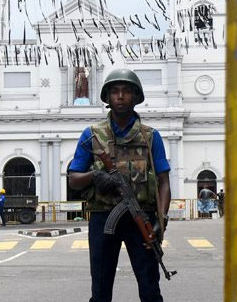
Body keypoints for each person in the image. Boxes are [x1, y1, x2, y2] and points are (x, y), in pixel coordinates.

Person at [68, 68, 171, 302]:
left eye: (126, 91)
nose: (121, 96)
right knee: (101, 289)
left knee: (150, 289)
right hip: (103, 219)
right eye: (115, 91)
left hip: (141, 218)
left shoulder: (150, 136)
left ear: (135, 97)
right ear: (108, 97)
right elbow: (74, 179)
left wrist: (161, 223)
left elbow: (164, 182)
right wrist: (95, 176)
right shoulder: (92, 134)